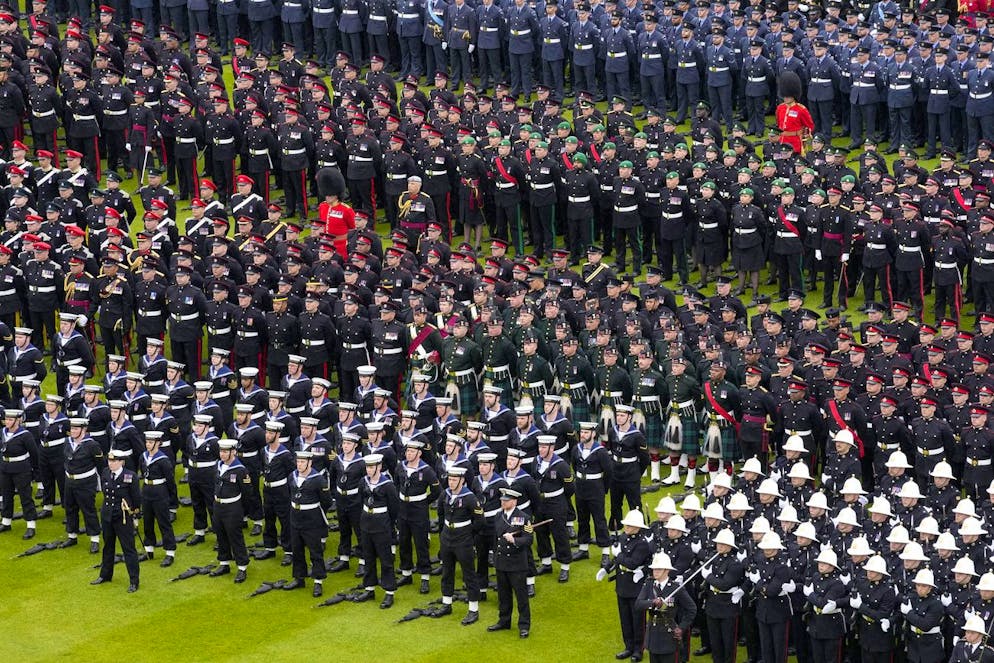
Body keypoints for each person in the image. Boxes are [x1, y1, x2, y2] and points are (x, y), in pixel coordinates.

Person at [599, 508, 653, 661]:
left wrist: (618, 554)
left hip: (635, 587)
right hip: (622, 585)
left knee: (637, 620)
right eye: (626, 525)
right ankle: (628, 646)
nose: (626, 528)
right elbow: (618, 560)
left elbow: (632, 563)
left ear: (637, 527)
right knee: (625, 619)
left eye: (629, 526)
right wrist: (606, 568)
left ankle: (638, 649)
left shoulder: (642, 544)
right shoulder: (623, 537)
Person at [283, 449, 335, 596]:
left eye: (302, 462)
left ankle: (318, 581)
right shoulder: (292, 476)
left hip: (311, 518)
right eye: (298, 461)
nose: (299, 465)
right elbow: (290, 494)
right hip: (295, 516)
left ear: (309, 463)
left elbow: (327, 501)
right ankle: (299, 578)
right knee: (297, 549)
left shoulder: (318, 480)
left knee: (315, 551)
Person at [90, 449, 141, 593]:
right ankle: (105, 575)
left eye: (114, 461)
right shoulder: (106, 472)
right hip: (107, 515)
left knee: (128, 549)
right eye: (109, 461)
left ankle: (134, 581)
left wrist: (134, 513)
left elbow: (136, 498)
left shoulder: (130, 476)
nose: (110, 464)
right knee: (108, 547)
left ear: (121, 462)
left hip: (123, 517)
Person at [635, 551, 698, 663]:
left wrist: (682, 627)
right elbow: (638, 604)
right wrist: (653, 602)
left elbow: (692, 609)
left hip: (669, 634)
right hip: (653, 634)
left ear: (667, 570)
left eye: (659, 569)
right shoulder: (649, 584)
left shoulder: (675, 588)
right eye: (654, 569)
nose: (656, 572)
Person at [488, 487, 533, 638]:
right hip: (502, 561)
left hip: (516, 563)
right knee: (503, 595)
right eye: (502, 500)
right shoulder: (498, 515)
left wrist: (514, 540)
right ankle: (504, 621)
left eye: (505, 500)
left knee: (521, 596)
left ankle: (524, 625)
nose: (502, 502)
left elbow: (528, 539)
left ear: (513, 501)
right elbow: (495, 538)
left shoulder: (524, 517)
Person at [208, 439, 251, 583]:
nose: (222, 454)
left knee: (235, 537)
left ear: (233, 452)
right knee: (220, 534)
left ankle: (242, 567)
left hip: (233, 507)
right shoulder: (218, 465)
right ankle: (224, 563)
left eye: (225, 451)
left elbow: (247, 493)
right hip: (218, 506)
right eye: (221, 451)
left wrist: (242, 511)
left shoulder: (240, 470)